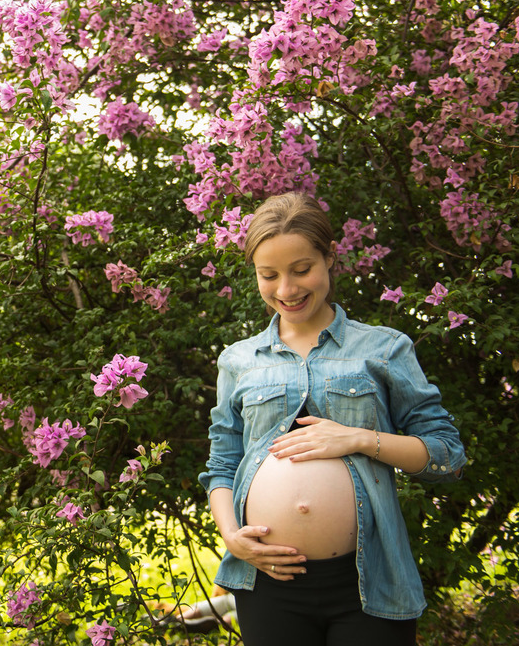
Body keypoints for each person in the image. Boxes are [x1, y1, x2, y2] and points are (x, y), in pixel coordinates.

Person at [198, 192, 466, 646]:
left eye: (301, 270)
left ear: (330, 258)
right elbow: (223, 465)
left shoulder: (384, 348)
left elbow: (447, 455)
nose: (286, 290)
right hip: (267, 582)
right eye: (269, 275)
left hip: (369, 581)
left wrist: (359, 438)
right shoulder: (238, 361)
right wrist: (231, 537)